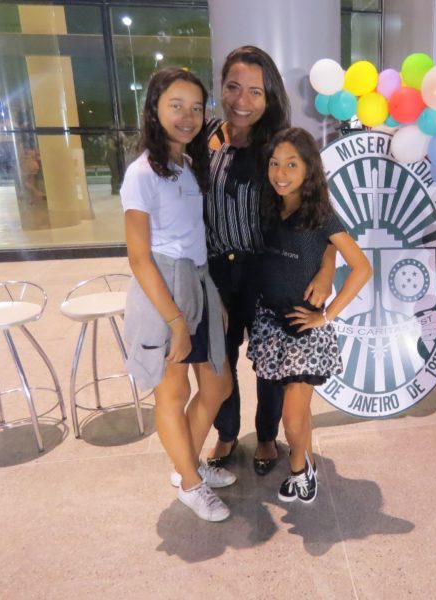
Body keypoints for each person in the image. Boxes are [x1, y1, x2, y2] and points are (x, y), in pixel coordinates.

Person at [204, 46, 336, 475]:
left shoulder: (279, 148)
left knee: (271, 362)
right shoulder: (206, 140)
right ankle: (227, 432)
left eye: (255, 92)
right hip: (217, 271)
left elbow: (321, 216)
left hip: (269, 268)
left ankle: (265, 435)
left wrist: (327, 268)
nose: (242, 100)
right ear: (221, 87)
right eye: (233, 87)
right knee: (221, 359)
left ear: (270, 97)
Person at [122, 67, 235, 522]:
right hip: (163, 288)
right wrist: (175, 322)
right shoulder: (140, 173)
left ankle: (186, 465)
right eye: (176, 106)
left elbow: (193, 237)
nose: (188, 116)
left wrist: (213, 296)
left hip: (198, 281)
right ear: (154, 108)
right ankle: (190, 482)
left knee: (218, 384)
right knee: (172, 392)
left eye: (195, 107)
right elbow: (139, 258)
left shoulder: (188, 165)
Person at [247, 128, 372, 503]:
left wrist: (327, 315)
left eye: (291, 165)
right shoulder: (268, 206)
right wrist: (325, 263)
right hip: (271, 322)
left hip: (304, 329)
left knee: (291, 416)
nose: (280, 173)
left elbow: (362, 268)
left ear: (309, 169)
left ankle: (300, 471)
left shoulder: (320, 214)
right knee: (297, 411)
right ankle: (307, 462)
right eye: (275, 164)